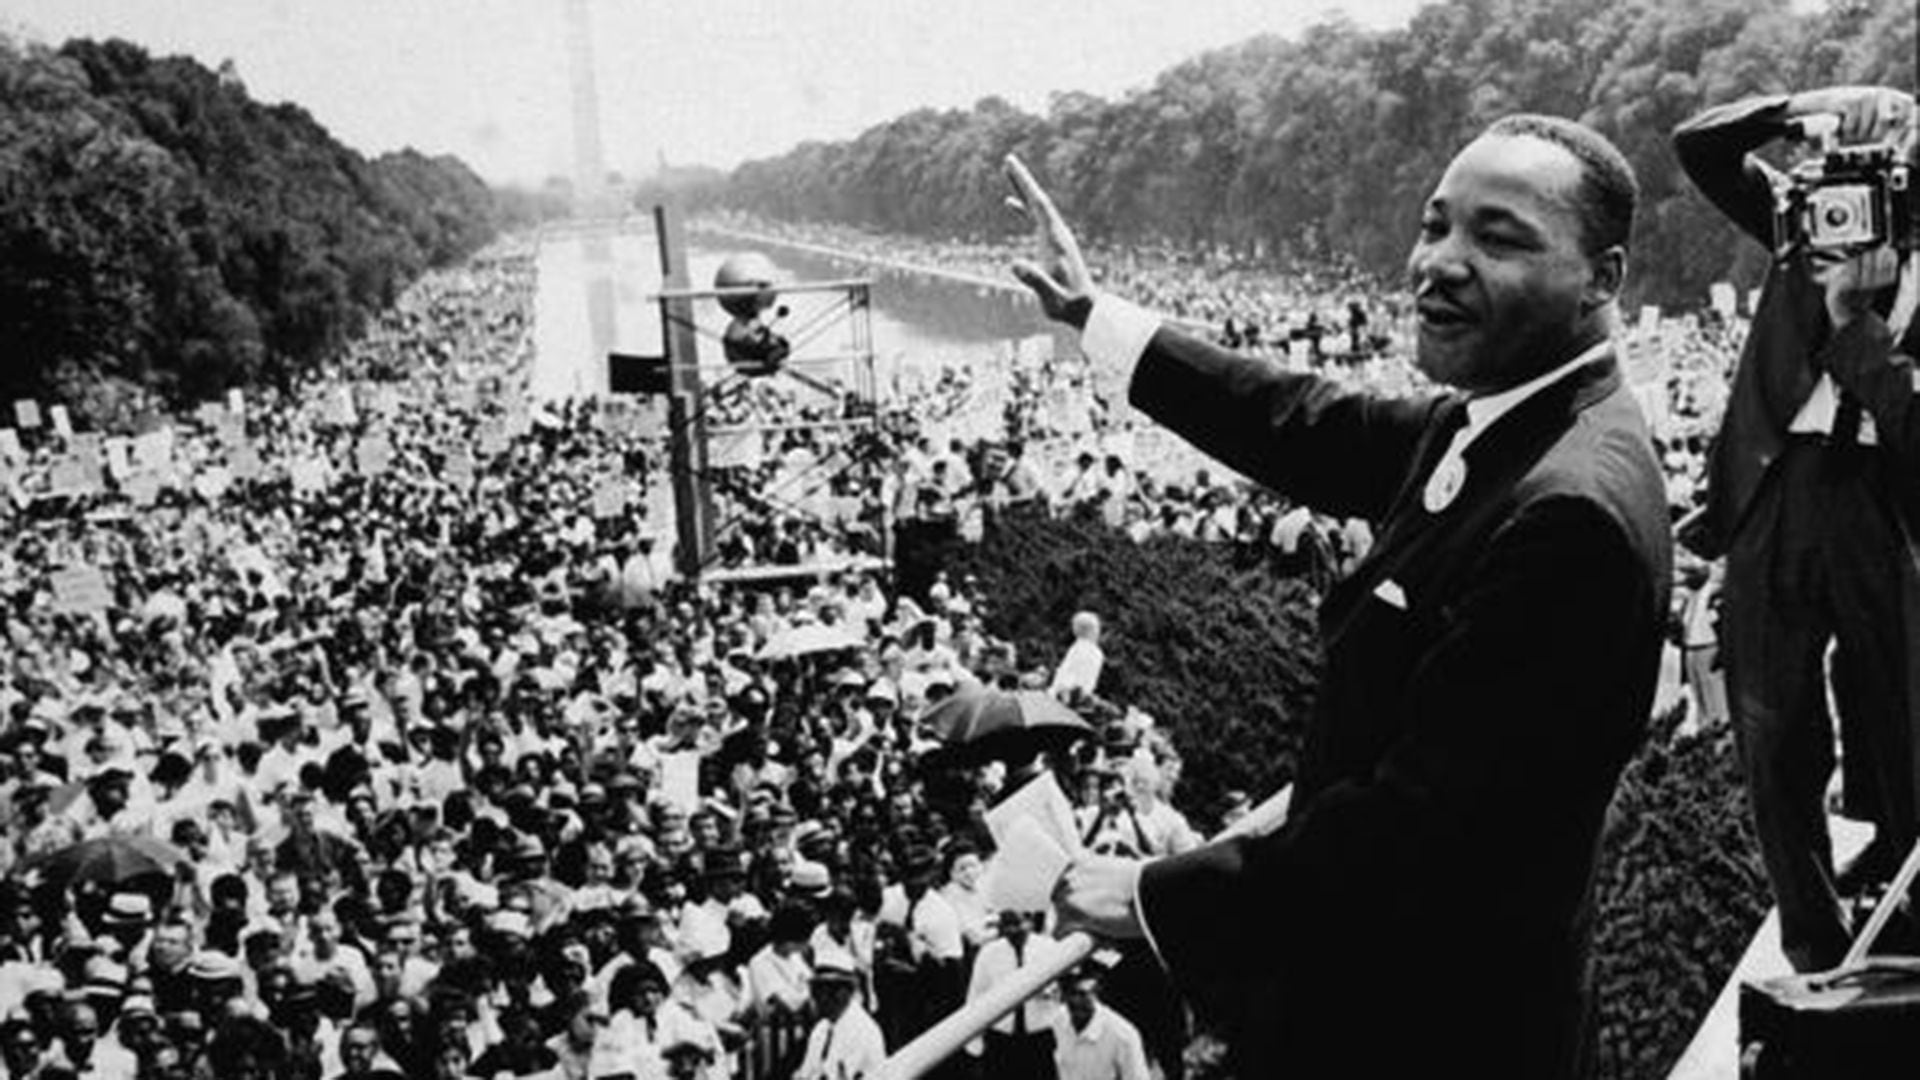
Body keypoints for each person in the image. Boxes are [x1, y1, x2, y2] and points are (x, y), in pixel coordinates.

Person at [1013, 112, 1671, 1079]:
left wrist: (1158, 897)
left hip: (1428, 1030)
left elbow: (1418, 831)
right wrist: (1094, 317)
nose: (1440, 262)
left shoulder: (1569, 510)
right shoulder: (1506, 422)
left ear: (1603, 279)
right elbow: (1299, 421)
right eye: (1434, 224)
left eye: (1499, 238)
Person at [1672, 84, 1920, 973]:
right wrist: (1809, 107)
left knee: (1900, 719)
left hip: (1880, 496)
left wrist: (1857, 323)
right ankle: (1813, 936)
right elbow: (1698, 145)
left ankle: (1900, 905)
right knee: (1774, 731)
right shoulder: (1803, 212)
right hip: (1774, 487)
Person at [962, 911, 1059, 1080]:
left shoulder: (1050, 948)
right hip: (1002, 1040)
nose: (1013, 930)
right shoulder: (989, 954)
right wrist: (974, 1044)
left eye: (1018, 923)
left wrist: (1050, 991)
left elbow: (1065, 988)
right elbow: (976, 998)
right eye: (1007, 925)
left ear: (1030, 922)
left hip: (1040, 1039)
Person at [1048, 964, 1149, 1080]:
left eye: (1082, 994)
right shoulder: (1059, 1021)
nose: (1075, 1001)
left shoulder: (1123, 1036)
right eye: (1070, 993)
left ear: (1097, 991)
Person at [792, 954, 883, 1080]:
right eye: (814, 990)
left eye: (820, 991)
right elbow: (806, 1073)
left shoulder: (861, 1030)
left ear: (842, 993)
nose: (814, 998)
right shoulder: (822, 1029)